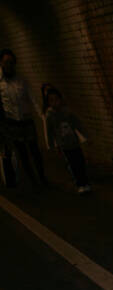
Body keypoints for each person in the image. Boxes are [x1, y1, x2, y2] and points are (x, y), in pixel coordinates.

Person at [0, 49, 46, 190]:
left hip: (26, 120)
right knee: (22, 153)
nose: (9, 65)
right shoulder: (0, 83)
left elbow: (31, 98)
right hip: (12, 122)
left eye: (12, 62)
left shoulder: (21, 80)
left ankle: (42, 178)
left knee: (34, 150)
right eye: (6, 62)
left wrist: (41, 115)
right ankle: (33, 180)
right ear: (1, 63)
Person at [44, 87, 90, 193]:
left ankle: (85, 182)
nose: (55, 103)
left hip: (74, 142)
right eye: (51, 100)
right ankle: (80, 184)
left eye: (56, 99)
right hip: (64, 145)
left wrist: (85, 135)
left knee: (80, 162)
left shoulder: (67, 112)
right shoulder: (50, 116)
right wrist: (51, 145)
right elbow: (49, 131)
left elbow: (77, 124)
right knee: (73, 164)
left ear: (60, 99)